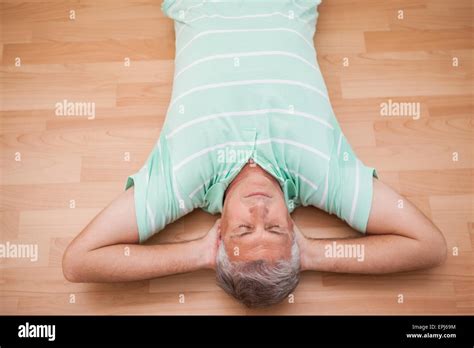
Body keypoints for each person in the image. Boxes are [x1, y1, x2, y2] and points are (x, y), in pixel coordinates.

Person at [62, 0, 447, 308]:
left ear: (219, 234)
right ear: (294, 232)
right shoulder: (326, 177)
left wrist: (198, 254)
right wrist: (310, 256)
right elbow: (428, 246)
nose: (260, 212)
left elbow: (78, 261)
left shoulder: (180, 184)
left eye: (244, 229)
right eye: (276, 228)